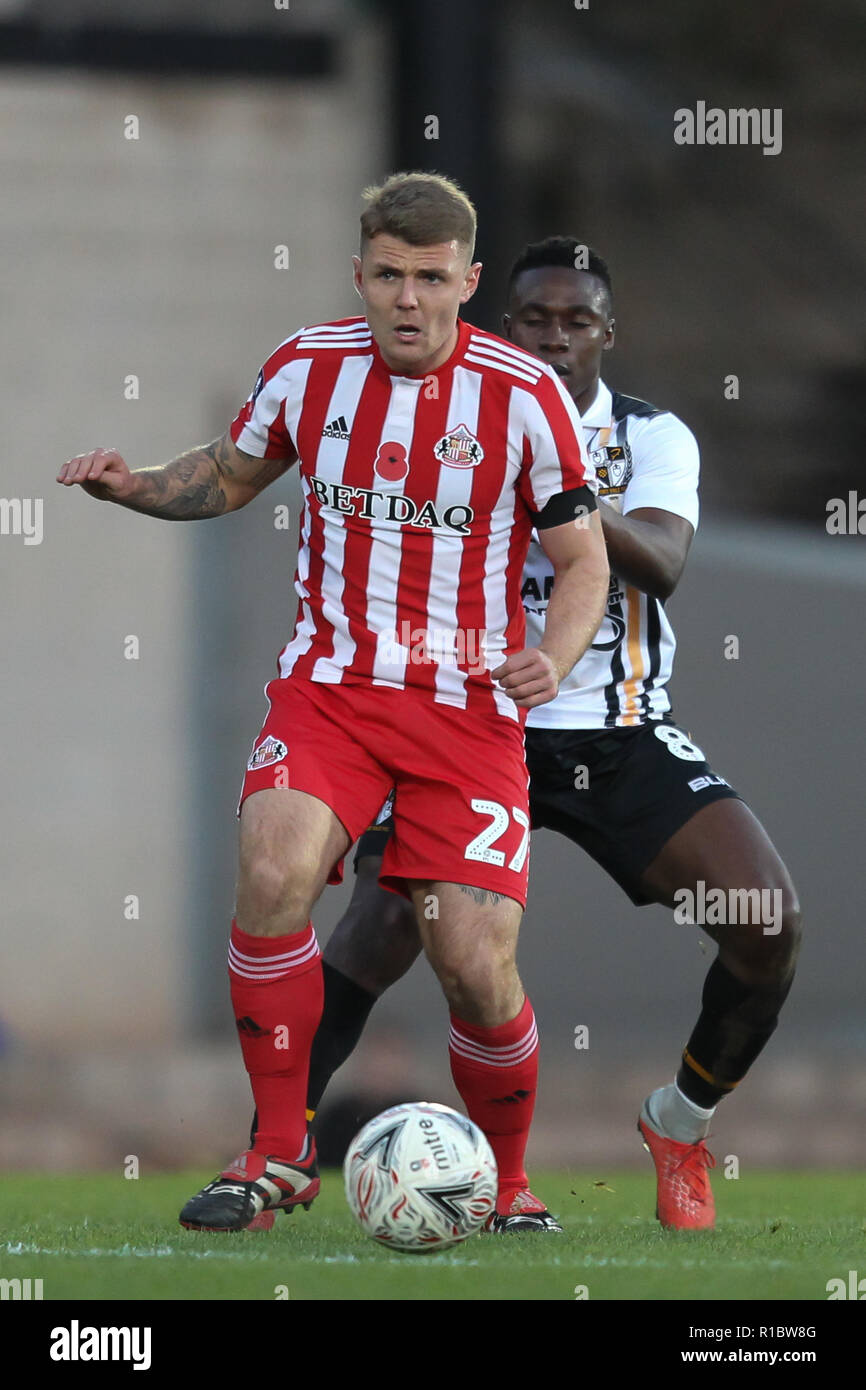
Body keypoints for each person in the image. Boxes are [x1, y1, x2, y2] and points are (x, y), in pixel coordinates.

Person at [57, 182, 609, 1234]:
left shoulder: (522, 392)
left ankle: (511, 1178)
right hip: (332, 690)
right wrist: (135, 487)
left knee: (471, 961)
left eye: (431, 277)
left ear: (467, 281)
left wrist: (552, 652)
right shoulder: (308, 366)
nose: (409, 299)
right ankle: (274, 1154)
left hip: (465, 711)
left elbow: (579, 556)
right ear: (360, 273)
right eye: (390, 275)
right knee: (273, 865)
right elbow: (228, 474)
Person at [285, 236, 802, 1232]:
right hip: (468, 727)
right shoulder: (443, 426)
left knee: (764, 922)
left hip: (613, 731)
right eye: (534, 320)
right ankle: (278, 1143)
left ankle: (679, 1123)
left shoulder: (652, 435)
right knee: (383, 926)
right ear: (499, 327)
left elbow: (658, 561)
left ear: (605, 332)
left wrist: (554, 475)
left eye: (575, 321)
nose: (554, 338)